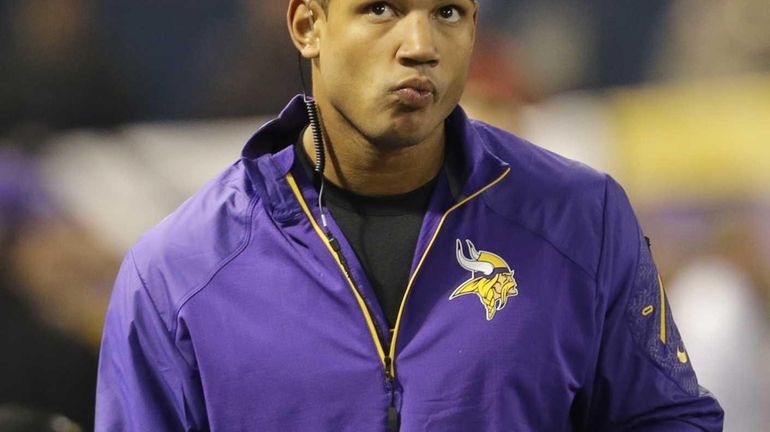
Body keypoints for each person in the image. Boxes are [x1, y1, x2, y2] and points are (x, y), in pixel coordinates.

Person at [95, 0, 724, 431]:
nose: (420, 46)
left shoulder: (582, 220)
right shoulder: (177, 274)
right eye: (381, 8)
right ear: (308, 24)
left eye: (447, 12)